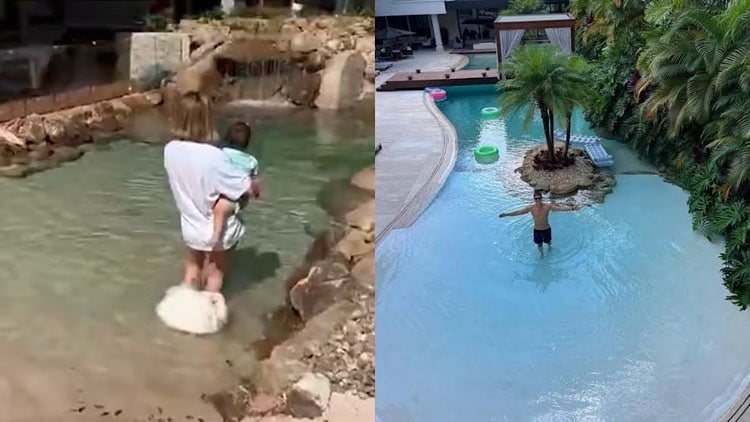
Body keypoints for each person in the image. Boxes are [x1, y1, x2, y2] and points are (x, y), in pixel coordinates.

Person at [163, 92, 260, 293]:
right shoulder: (215, 157)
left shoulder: (169, 150)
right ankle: (209, 313)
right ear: (207, 119)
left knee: (192, 266)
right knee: (215, 273)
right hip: (220, 230)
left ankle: (186, 307)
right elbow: (247, 188)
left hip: (190, 226)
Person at [209, 121, 263, 250]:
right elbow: (254, 183)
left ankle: (215, 237)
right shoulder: (251, 161)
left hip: (218, 193)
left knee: (220, 208)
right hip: (238, 198)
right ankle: (219, 239)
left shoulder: (219, 153)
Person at [498, 190, 582, 257]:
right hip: (537, 230)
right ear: (534, 199)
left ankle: (549, 247)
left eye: (539, 198)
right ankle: (541, 254)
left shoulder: (547, 206)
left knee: (548, 242)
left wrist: (573, 208)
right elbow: (519, 212)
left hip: (546, 229)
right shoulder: (531, 208)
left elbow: (560, 209)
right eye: (536, 198)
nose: (538, 200)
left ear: (542, 198)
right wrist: (507, 214)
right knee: (539, 244)